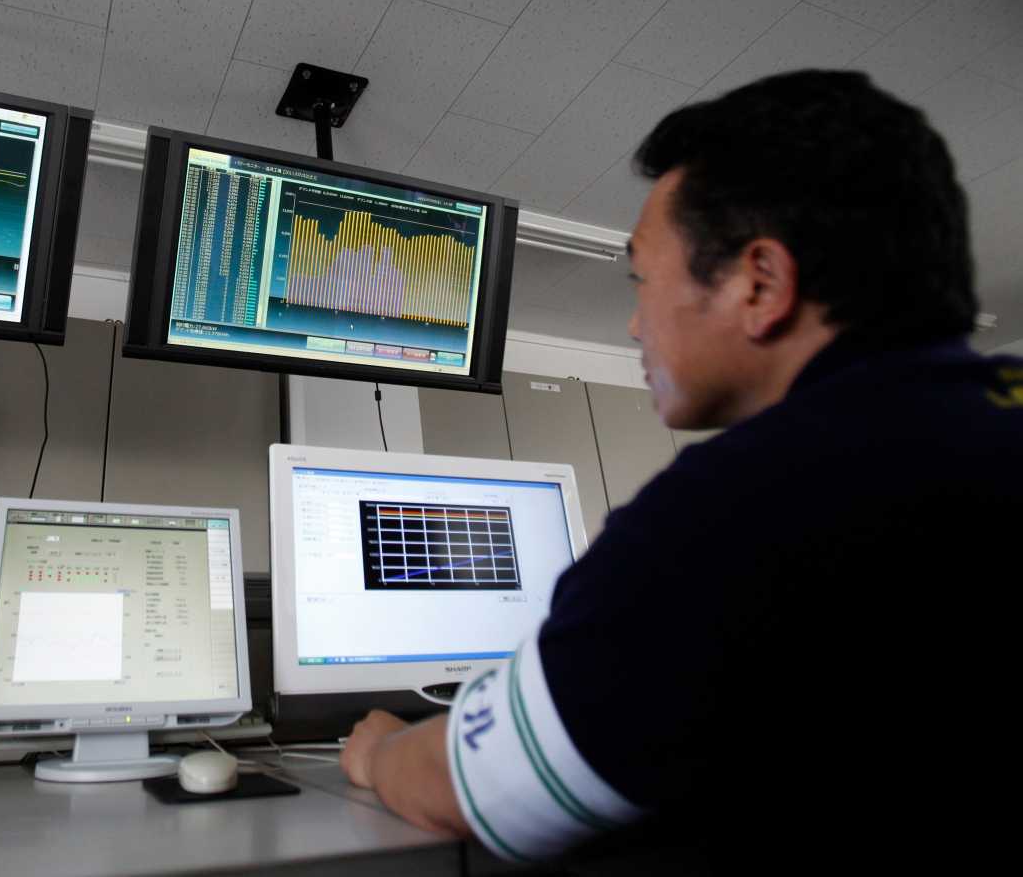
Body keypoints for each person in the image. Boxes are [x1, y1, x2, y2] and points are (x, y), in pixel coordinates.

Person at [338, 70, 1021, 869]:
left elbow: (464, 784)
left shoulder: (736, 510)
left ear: (759, 284)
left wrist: (382, 749)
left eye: (641, 279)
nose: (633, 321)